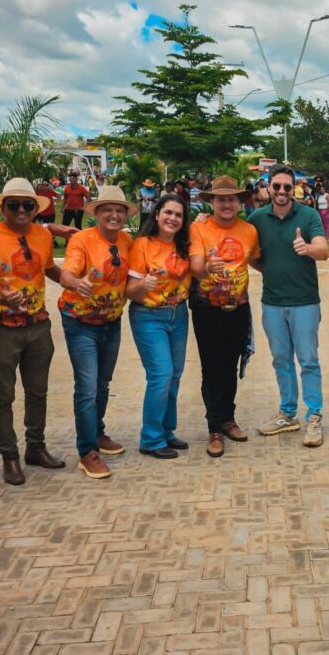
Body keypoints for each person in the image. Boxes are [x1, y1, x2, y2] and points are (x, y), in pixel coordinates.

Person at [0, 178, 65, 486]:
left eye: (28, 204)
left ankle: (35, 447)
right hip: (2, 328)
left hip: (38, 325)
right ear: (3, 208)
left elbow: (49, 267)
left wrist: (69, 280)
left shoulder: (41, 234)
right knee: (3, 396)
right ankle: (9, 455)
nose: (21, 210)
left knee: (38, 392)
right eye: (14, 204)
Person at [58, 185, 136, 479]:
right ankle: (87, 450)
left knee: (103, 383)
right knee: (87, 387)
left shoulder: (127, 240)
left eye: (119, 210)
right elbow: (68, 271)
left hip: (111, 321)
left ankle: (98, 432)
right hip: (80, 323)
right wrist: (76, 283)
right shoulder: (82, 240)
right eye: (108, 210)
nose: (114, 215)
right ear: (97, 214)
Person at [247, 164, 328, 446]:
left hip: (304, 302)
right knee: (281, 360)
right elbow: (251, 254)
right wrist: (266, 270)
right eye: (276, 186)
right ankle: (288, 413)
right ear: (268, 187)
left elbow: (324, 249)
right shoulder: (257, 218)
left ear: (293, 188)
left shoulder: (307, 215)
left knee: (308, 360)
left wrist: (307, 248)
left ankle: (314, 416)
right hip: (272, 303)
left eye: (286, 186)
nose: (281, 191)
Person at [189, 176, 261, 458]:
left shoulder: (249, 230)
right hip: (208, 310)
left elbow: (254, 258)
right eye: (221, 199)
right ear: (212, 202)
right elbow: (195, 267)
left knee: (231, 366)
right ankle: (214, 428)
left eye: (231, 199)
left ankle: (228, 418)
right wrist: (208, 266)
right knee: (212, 368)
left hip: (238, 309)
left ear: (239, 202)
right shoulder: (200, 228)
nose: (227, 204)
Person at [126, 193, 192, 460]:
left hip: (178, 315)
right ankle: (151, 439)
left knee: (174, 375)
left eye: (178, 214)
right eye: (168, 212)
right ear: (156, 214)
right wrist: (144, 285)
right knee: (161, 374)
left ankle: (166, 431)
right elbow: (130, 291)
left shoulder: (185, 245)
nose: (172, 218)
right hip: (148, 315)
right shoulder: (142, 245)